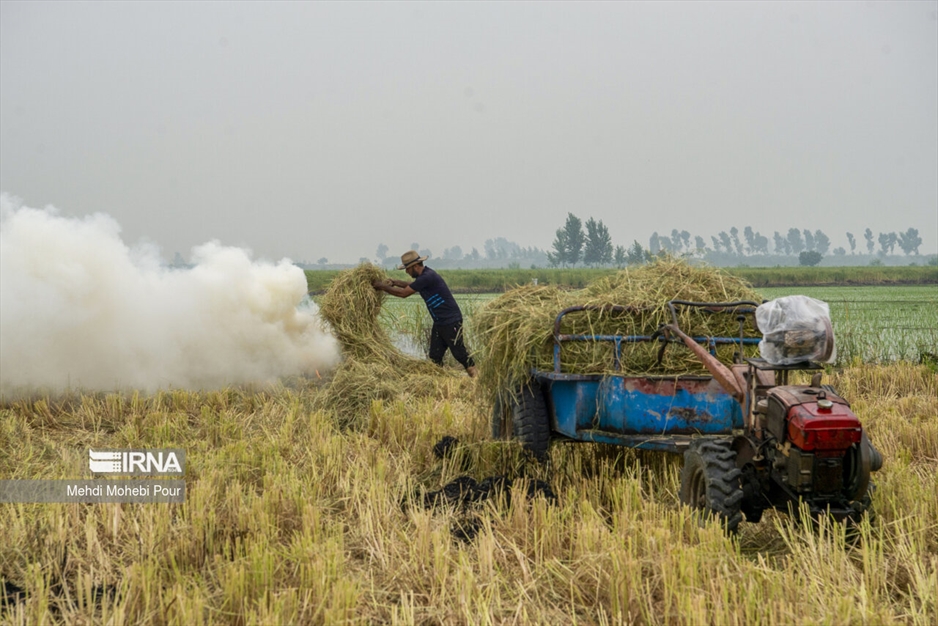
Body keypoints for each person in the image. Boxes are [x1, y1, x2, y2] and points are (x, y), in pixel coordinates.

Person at [373, 250, 477, 377]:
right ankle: (439, 382)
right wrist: (395, 282)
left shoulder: (427, 276)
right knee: (435, 357)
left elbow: (403, 293)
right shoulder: (424, 278)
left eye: (407, 269)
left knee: (460, 354)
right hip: (440, 322)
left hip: (450, 321)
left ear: (415, 266)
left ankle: (476, 380)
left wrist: (381, 286)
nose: (406, 272)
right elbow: (413, 285)